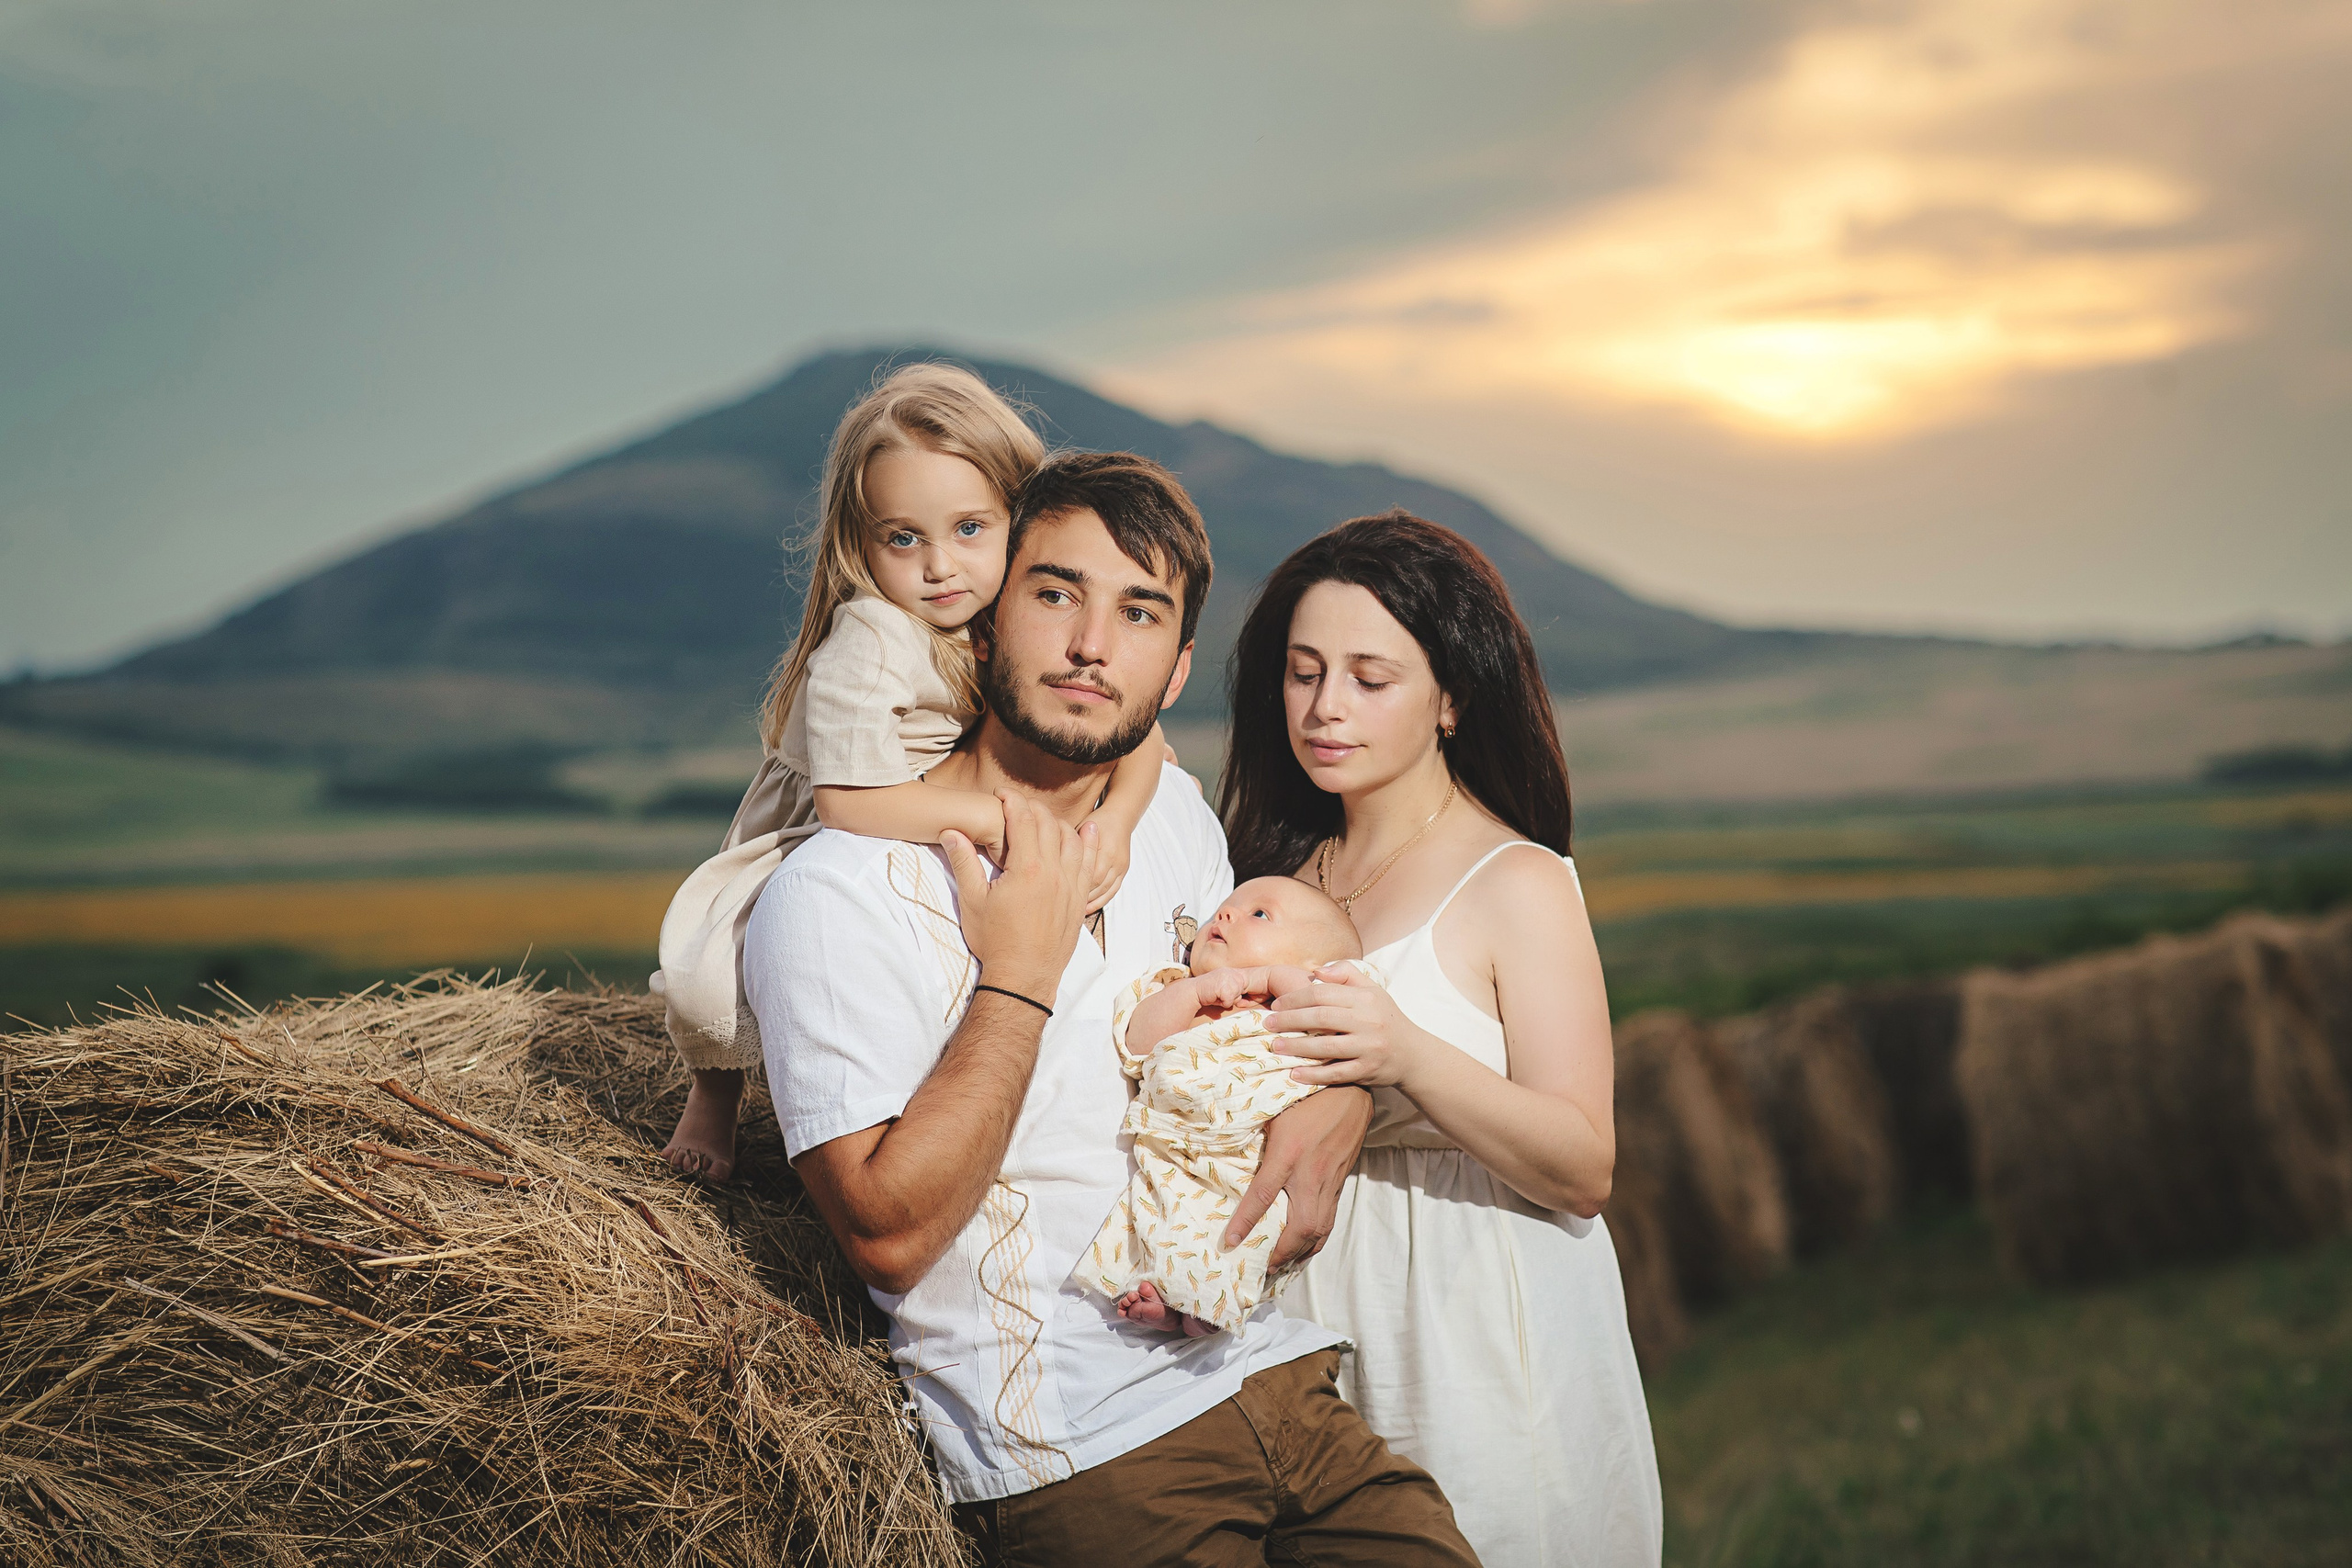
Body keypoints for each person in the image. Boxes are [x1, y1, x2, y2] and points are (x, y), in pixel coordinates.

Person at [745, 455, 1481, 1567]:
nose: (1093, 644)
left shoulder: (1178, 818)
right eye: (1055, 594)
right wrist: (1019, 974)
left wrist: (1336, 1094)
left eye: (1139, 613)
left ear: (1178, 668)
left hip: (1273, 1379)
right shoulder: (838, 891)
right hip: (1082, 1451)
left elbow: (1250, 1024)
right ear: (986, 620)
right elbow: (886, 1236)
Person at [1218, 510, 1664, 1568]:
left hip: (1472, 1322)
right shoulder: (1263, 881)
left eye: (1371, 678)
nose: (1325, 708)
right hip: (1299, 1319)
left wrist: (1407, 1053)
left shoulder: (1516, 880)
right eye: (1303, 672)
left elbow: (1584, 1164)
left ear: (1452, 696)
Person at [649, 364, 1163, 1182]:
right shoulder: (873, 637)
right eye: (903, 539)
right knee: (726, 964)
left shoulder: (1027, 613)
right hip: (835, 807)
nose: (939, 567)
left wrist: (1118, 824)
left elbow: (1142, 736)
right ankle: (712, 1098)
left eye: (969, 529)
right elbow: (850, 801)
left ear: (1017, 521)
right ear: (861, 546)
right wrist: (1005, 819)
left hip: (925, 790)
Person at [1076, 876, 1369, 1337]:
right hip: (1181, 1152)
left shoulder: (1295, 1009)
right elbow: (1138, 1043)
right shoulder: (1175, 986)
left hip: (1253, 1155)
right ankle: (1174, 1300)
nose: (1225, 914)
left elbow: (1325, 1030)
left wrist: (1271, 978)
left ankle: (1211, 1305)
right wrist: (1196, 992)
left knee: (1252, 1228)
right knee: (1168, 1215)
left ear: (1318, 967)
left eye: (1260, 914)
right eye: (1224, 907)